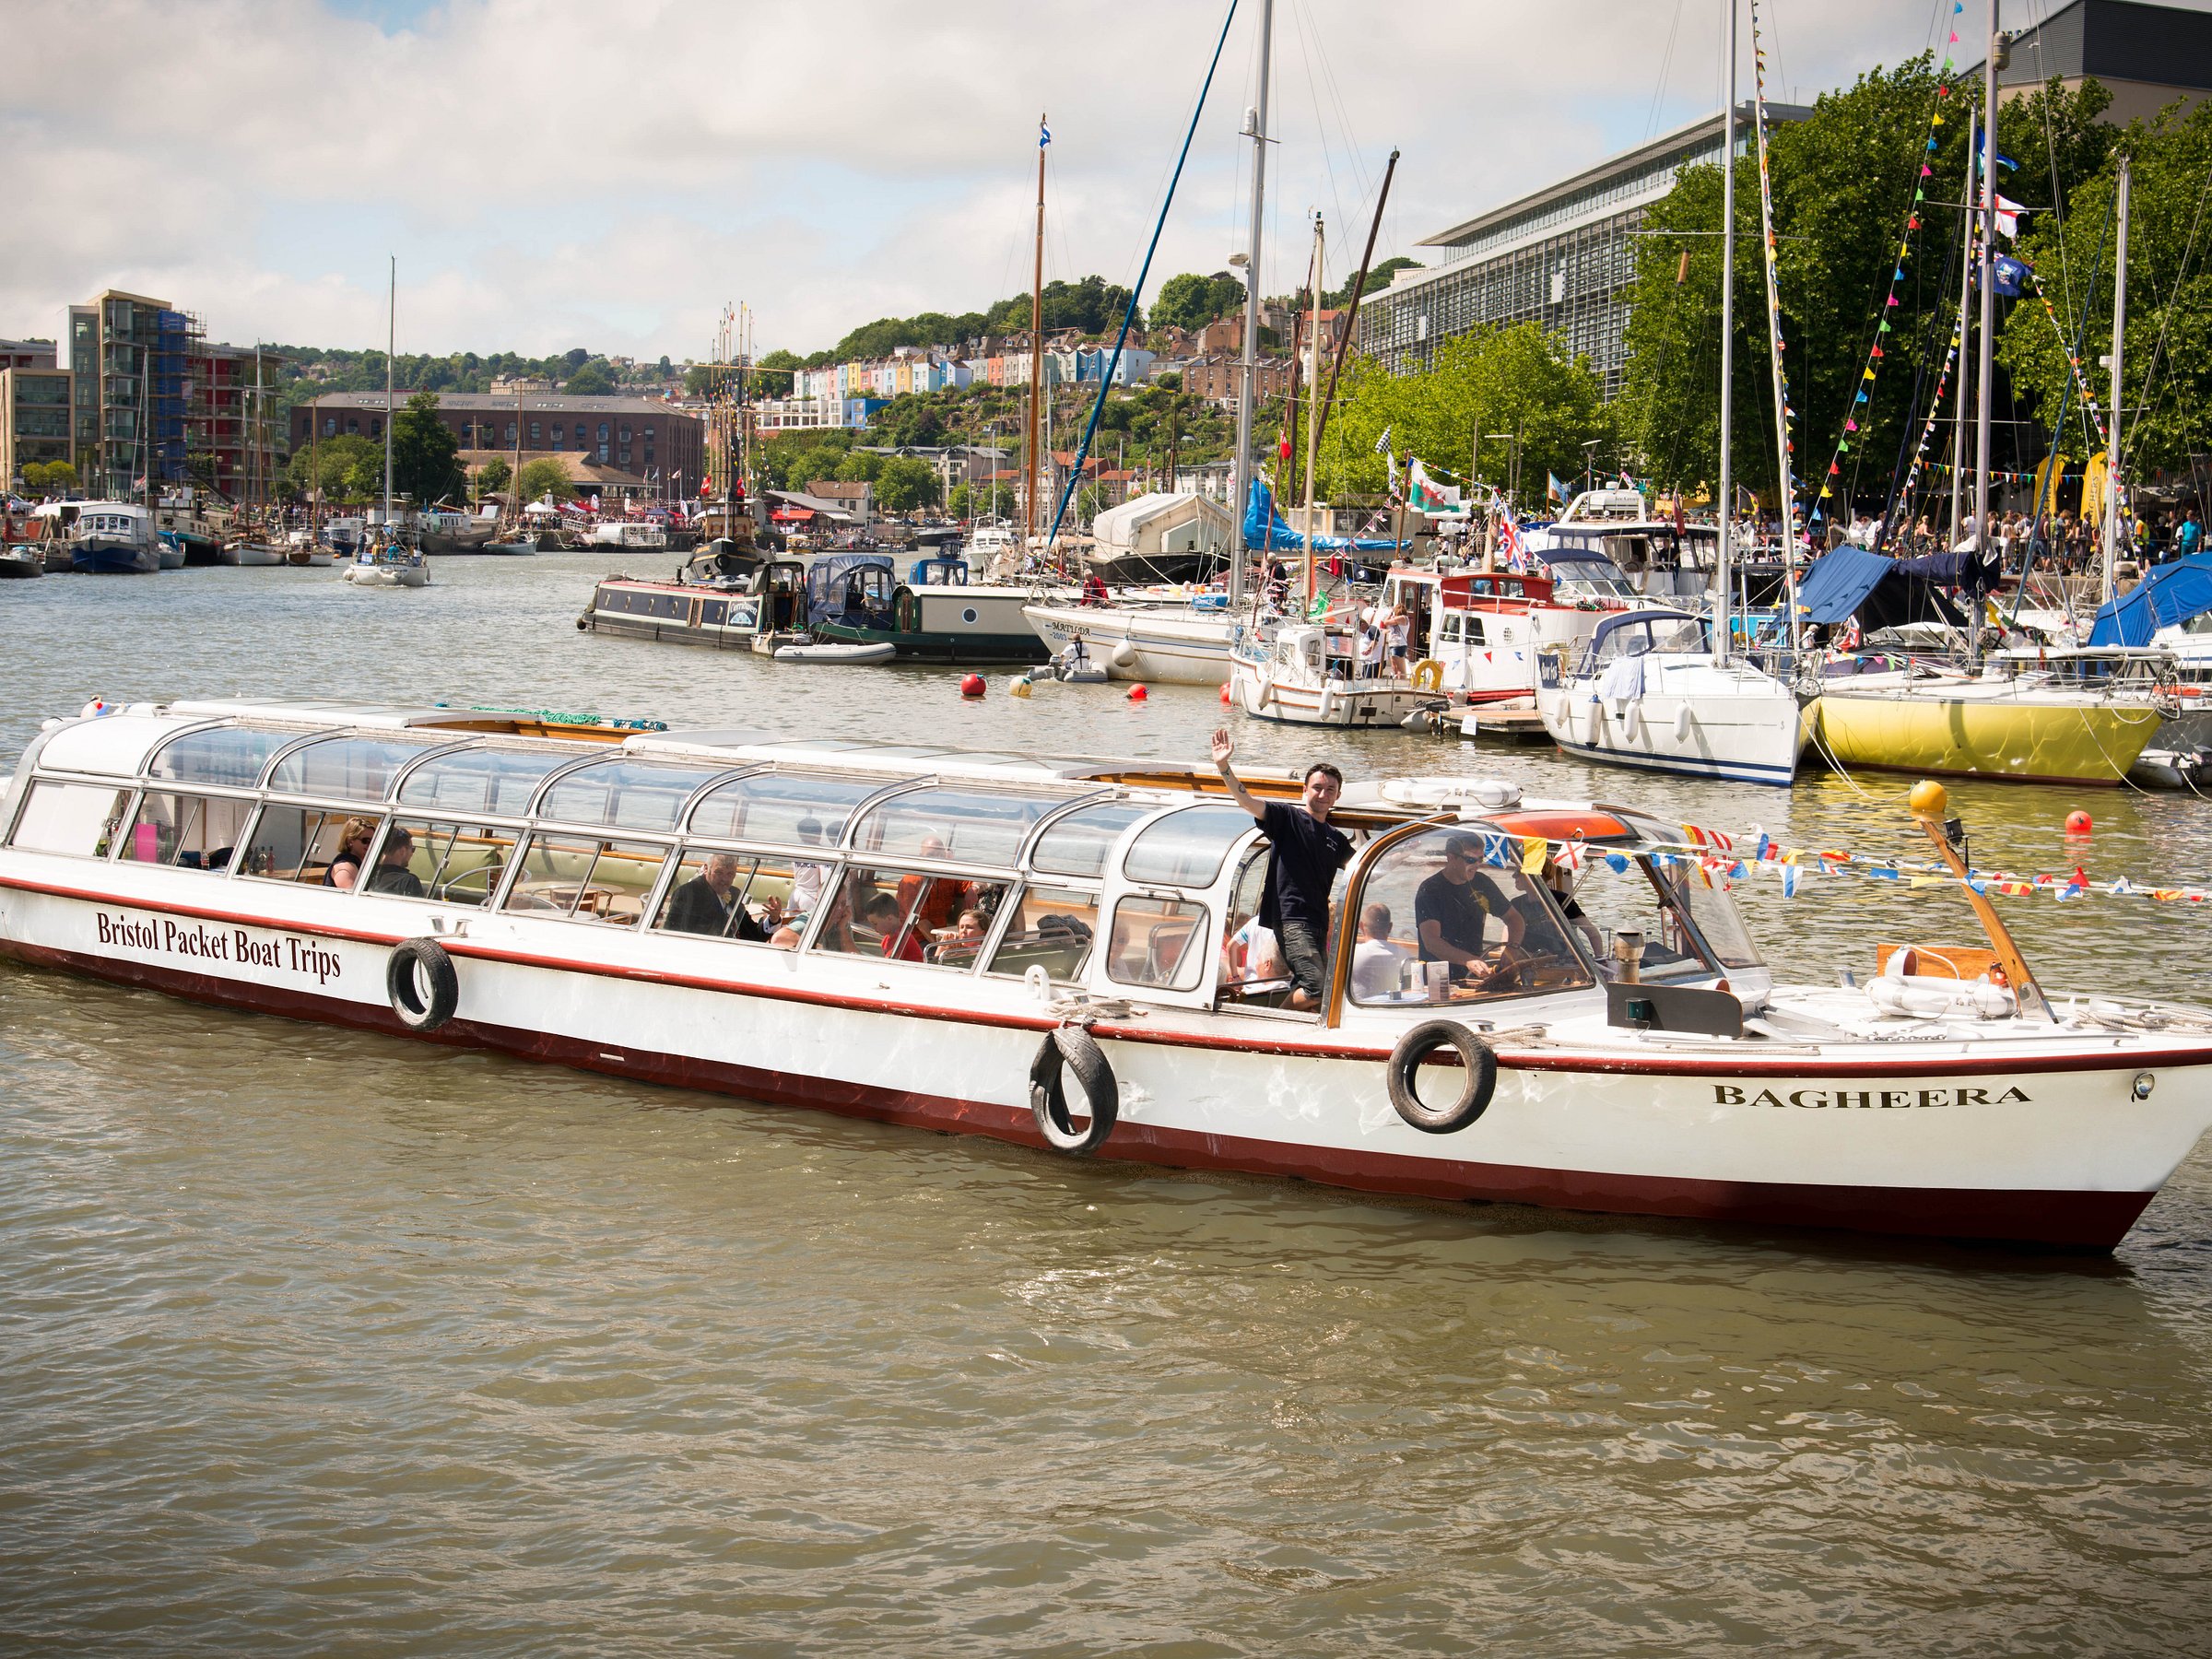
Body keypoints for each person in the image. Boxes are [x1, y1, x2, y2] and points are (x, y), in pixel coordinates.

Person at [1208, 728, 1350, 1009]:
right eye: (1317, 787)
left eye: (1330, 789)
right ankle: (1280, 1020)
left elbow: (1363, 866)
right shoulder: (1287, 818)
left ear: (1337, 796)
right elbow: (1247, 802)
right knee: (1317, 986)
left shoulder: (1336, 839)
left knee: (1319, 985)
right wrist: (1224, 767)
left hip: (1319, 921)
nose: (1323, 794)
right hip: (1291, 919)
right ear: (1305, 790)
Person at [1414, 835, 1508, 982]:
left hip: (1475, 975)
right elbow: (1432, 942)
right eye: (1470, 860)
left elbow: (1515, 920)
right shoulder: (1430, 890)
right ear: (1451, 858)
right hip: (1439, 978)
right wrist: (1468, 961)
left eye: (1480, 859)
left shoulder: (1482, 883)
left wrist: (1511, 951)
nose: (1477, 864)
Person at [663, 852, 769, 940]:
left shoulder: (734, 893)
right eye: (719, 872)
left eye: (730, 874)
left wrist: (772, 920)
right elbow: (674, 934)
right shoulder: (688, 893)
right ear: (706, 869)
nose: (724, 879)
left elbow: (753, 935)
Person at [1349, 902, 1413, 999]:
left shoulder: (1353, 954)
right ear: (1390, 927)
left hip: (1359, 1011)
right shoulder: (1406, 956)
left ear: (1361, 926)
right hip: (1392, 1010)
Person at [860, 891, 924, 960]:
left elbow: (889, 964)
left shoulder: (900, 939)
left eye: (875, 923)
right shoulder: (888, 938)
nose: (873, 927)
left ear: (889, 918)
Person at [364, 828, 426, 898]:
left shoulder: (368, 874)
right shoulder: (409, 881)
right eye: (412, 849)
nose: (412, 853)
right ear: (403, 851)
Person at [789, 817, 830, 914]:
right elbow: (823, 879)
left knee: (788, 923)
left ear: (800, 834)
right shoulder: (822, 853)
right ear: (819, 834)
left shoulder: (795, 850)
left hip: (796, 893)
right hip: (811, 896)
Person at [324, 816, 377, 889]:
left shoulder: (363, 862)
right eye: (366, 841)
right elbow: (351, 896)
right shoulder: (345, 866)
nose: (370, 845)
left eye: (374, 841)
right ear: (350, 841)